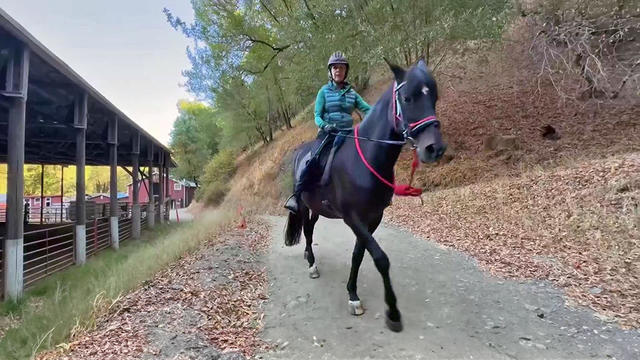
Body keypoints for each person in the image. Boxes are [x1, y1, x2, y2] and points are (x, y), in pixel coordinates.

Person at [284, 51, 372, 213]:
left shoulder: (352, 93)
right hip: (328, 134)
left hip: (347, 134)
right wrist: (325, 125)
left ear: (346, 71)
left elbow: (367, 109)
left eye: (341, 68)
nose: (338, 71)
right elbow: (317, 116)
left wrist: (382, 113)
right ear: (330, 72)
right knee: (314, 161)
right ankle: (296, 197)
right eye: (335, 68)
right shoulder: (324, 92)